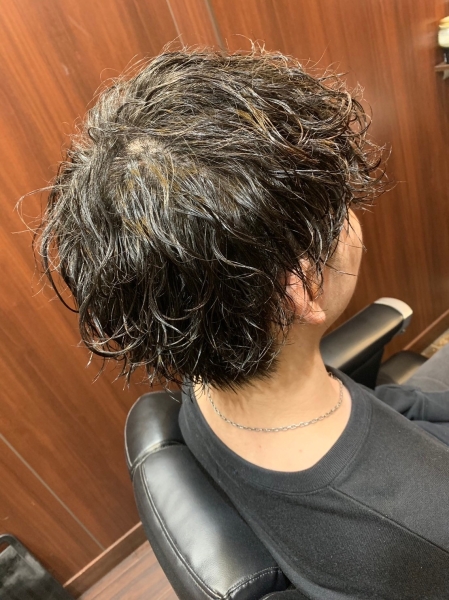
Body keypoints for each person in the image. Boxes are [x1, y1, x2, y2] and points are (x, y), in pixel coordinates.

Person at [37, 47, 449, 599]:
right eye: (343, 207)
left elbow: (397, 412)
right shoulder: (427, 522)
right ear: (300, 288)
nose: (353, 220)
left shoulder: (207, 363)